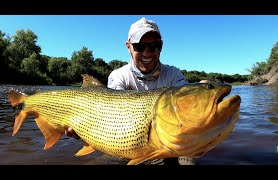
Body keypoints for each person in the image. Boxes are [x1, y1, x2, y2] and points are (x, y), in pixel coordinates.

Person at [66, 17, 207, 165]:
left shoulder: (174, 75)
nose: (147, 53)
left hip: (172, 146)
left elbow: (187, 108)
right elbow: (111, 119)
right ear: (128, 46)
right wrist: (85, 130)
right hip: (128, 144)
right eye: (139, 46)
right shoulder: (118, 76)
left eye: (154, 46)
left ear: (161, 46)